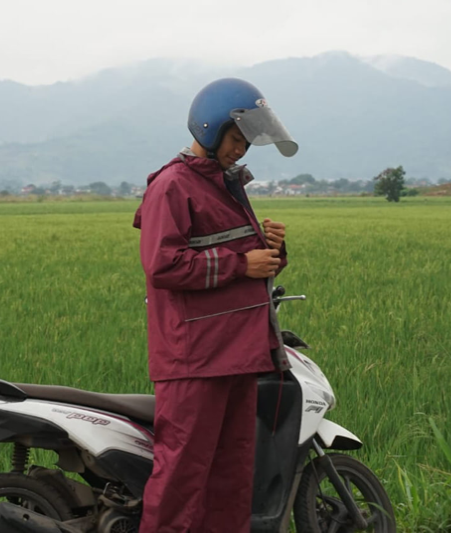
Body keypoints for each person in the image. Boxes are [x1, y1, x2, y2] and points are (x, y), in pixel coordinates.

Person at [132, 78, 298, 533]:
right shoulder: (172, 186)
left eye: (247, 142)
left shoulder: (227, 185)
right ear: (209, 128)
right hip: (194, 358)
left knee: (231, 479)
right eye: (235, 138)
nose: (241, 150)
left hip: (238, 355)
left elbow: (243, 264)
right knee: (182, 480)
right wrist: (242, 264)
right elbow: (163, 266)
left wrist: (272, 252)